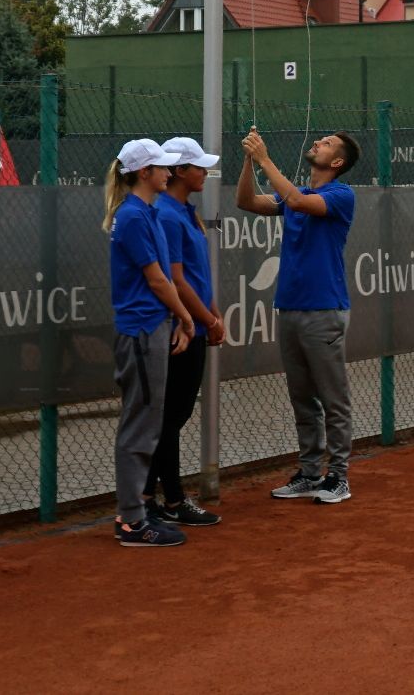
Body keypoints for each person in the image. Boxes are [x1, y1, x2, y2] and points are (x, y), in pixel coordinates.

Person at [237, 126, 360, 504]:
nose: (317, 143)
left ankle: (337, 476)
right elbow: (246, 202)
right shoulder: (297, 195)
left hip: (324, 310)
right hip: (289, 308)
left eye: (325, 144)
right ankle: (309, 473)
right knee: (302, 397)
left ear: (336, 162)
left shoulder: (340, 195)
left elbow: (296, 201)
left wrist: (264, 159)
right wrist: (248, 161)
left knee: (332, 399)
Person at [105, 138, 196, 547]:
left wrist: (175, 317)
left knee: (147, 421)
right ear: (144, 173)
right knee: (140, 425)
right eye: (161, 167)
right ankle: (130, 521)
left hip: (152, 326)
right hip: (141, 330)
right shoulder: (134, 216)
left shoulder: (148, 212)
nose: (167, 171)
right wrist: (185, 315)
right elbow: (157, 279)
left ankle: (137, 513)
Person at [145, 136, 229, 527]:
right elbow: (175, 279)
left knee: (172, 417)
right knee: (170, 418)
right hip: (182, 329)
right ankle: (171, 500)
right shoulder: (165, 213)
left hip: (195, 324)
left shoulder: (185, 210)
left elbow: (198, 273)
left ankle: (159, 500)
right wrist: (205, 320)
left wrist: (212, 314)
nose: (205, 173)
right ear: (179, 171)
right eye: (198, 167)